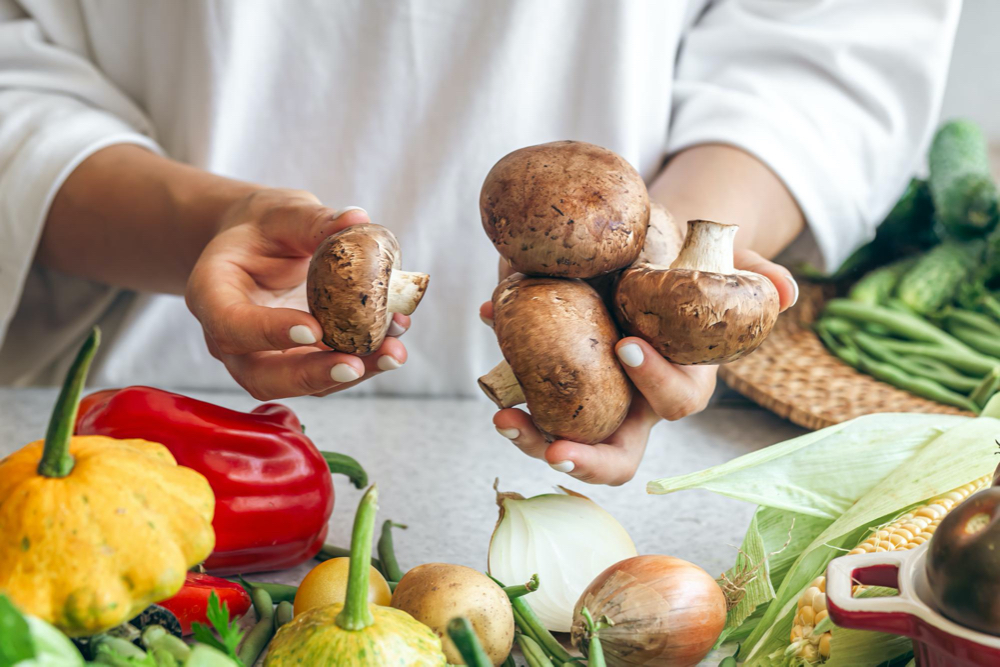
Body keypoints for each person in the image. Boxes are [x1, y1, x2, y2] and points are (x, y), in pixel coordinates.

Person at [0, 1, 960, 485]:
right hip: (125, 398)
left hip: (620, 415)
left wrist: (654, 272)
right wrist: (207, 224)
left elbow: (831, 40)